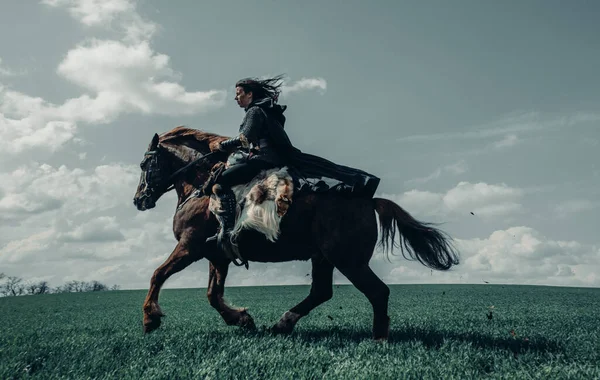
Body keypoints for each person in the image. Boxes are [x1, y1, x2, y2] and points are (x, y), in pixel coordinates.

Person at [205, 75, 380, 248]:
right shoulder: (266, 110)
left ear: (250, 94)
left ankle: (226, 232)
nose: (236, 98)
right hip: (271, 157)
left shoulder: (255, 110)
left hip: (263, 160)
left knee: (221, 183)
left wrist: (221, 146)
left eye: (239, 93)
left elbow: (245, 138)